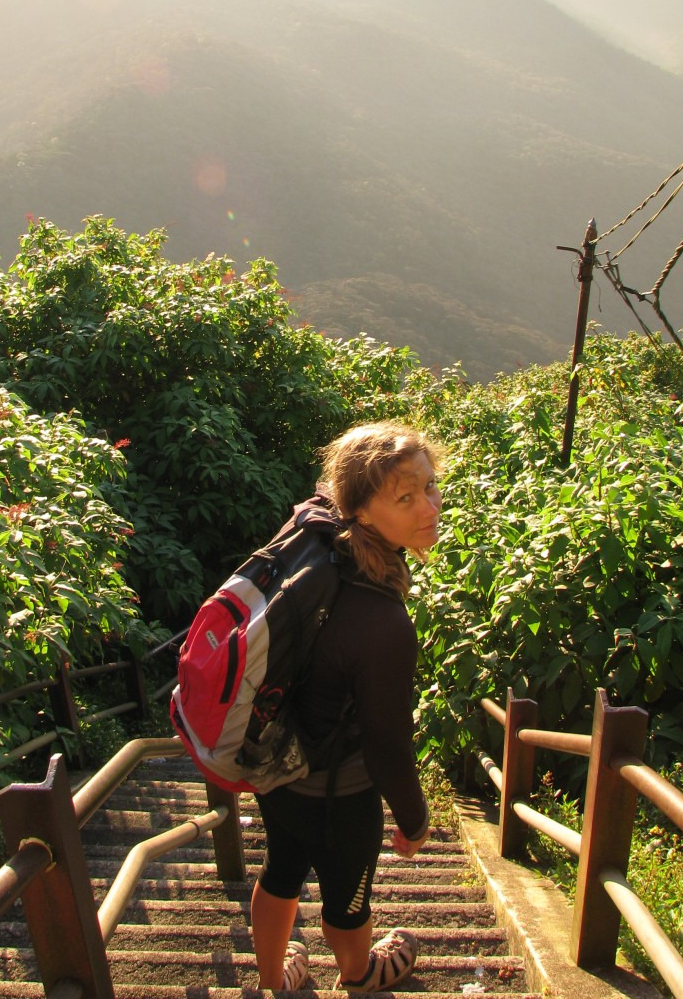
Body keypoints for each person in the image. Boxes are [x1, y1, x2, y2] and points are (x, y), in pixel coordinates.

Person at [250, 420, 443, 992]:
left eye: (430, 487)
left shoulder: (320, 553)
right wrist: (413, 819)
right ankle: (359, 976)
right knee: (347, 898)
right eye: (404, 497)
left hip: (279, 769)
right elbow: (386, 745)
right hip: (342, 794)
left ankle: (273, 981)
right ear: (361, 512)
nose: (427, 506)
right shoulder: (383, 623)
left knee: (280, 871)